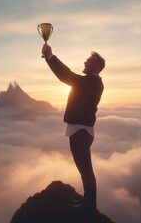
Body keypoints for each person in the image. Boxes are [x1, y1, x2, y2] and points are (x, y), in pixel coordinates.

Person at [42, 44, 105, 213]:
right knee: (85, 170)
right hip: (82, 131)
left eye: (90, 61)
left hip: (81, 132)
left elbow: (67, 76)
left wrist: (50, 56)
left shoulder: (91, 82)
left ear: (97, 67)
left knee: (86, 171)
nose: (86, 61)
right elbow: (69, 77)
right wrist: (49, 58)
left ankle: (90, 205)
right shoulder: (91, 82)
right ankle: (88, 201)